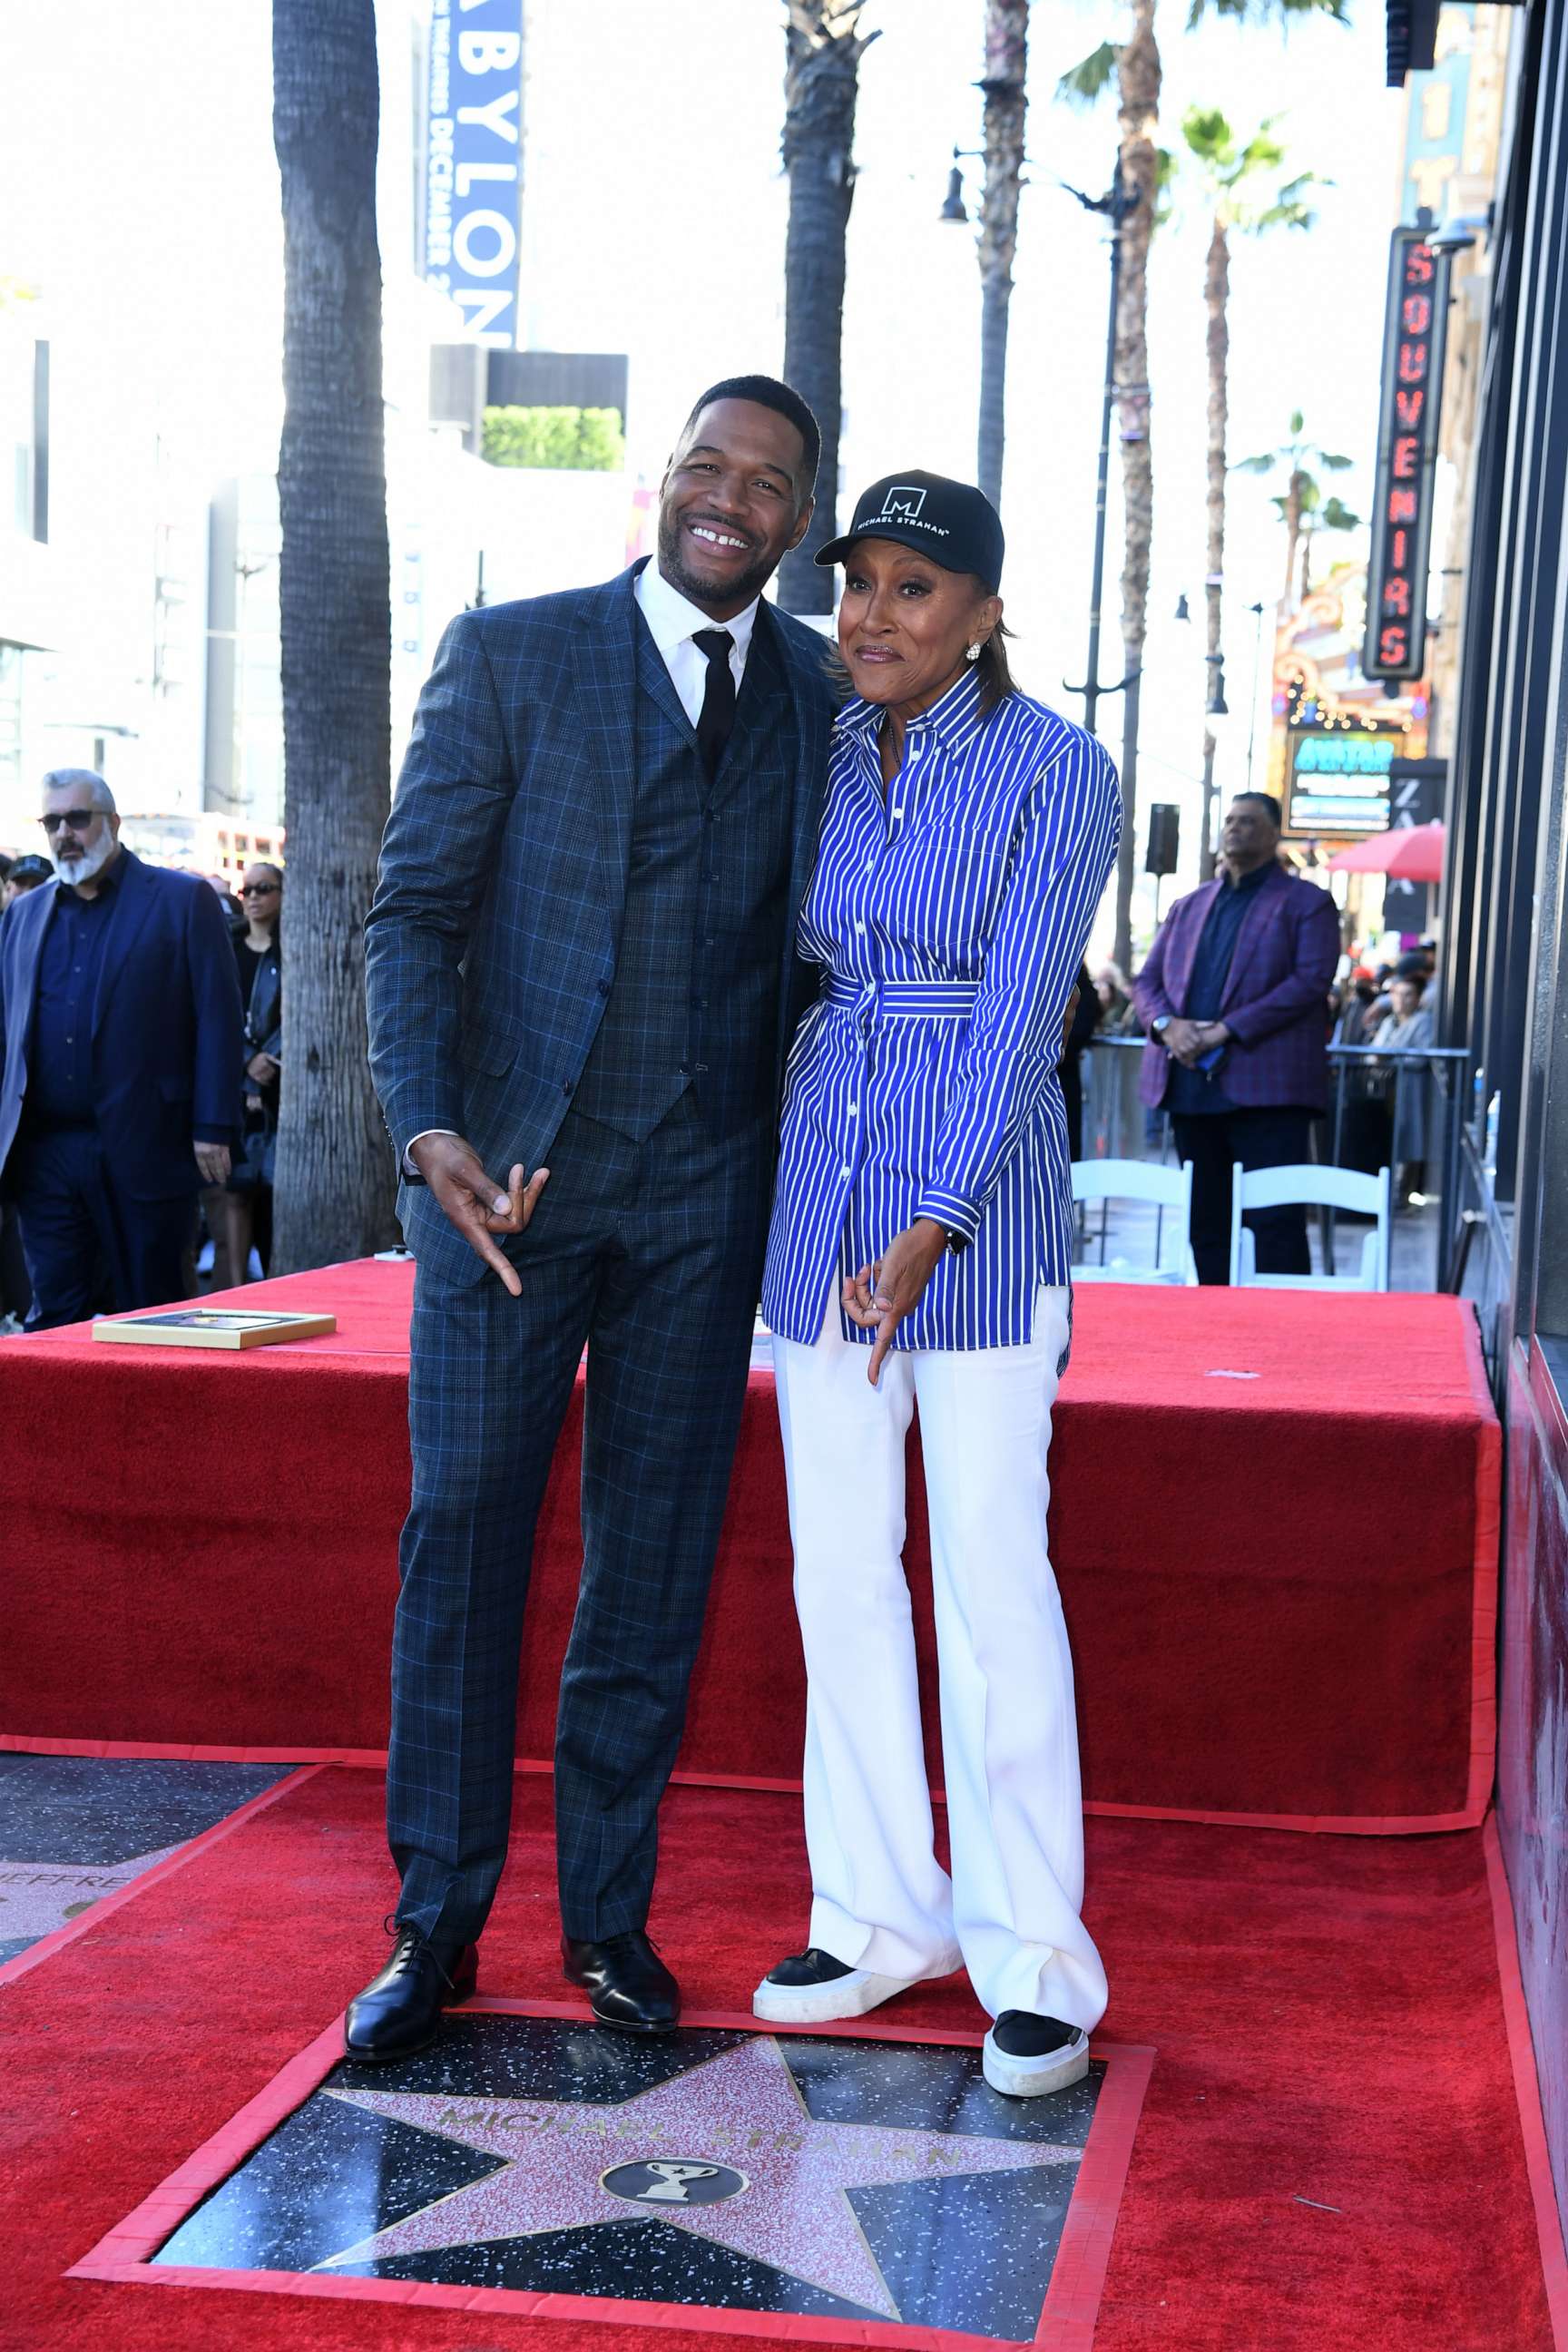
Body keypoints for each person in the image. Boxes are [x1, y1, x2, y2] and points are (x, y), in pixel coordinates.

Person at [355, 376, 838, 2063]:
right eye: (707, 464)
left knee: (650, 1563)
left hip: (708, 1195)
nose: (729, 498)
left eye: (767, 483)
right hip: (507, 1188)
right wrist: (428, 1128)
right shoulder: (512, 653)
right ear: (663, 480)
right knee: (466, 1537)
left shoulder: (818, 689)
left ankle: (609, 1918)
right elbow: (408, 915)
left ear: (795, 522)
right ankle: (434, 1925)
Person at [754, 472, 1121, 2101]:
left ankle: (1033, 1955)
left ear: (982, 610)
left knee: (989, 1571)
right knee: (839, 1568)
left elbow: (1026, 1008)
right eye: (859, 586)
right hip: (810, 1175)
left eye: (913, 589)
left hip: (974, 1204)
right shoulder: (814, 752)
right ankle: (875, 1913)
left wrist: (934, 1212)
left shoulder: (1058, 769)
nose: (873, 618)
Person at [0, 772, 242, 1328]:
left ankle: (159, 1419)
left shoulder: (182, 901)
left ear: (112, 822)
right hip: (45, 1154)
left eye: (77, 819)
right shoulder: (24, 914)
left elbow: (217, 1017)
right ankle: (64, 1420)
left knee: (153, 1313)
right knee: (56, 1315)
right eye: (52, 822)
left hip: (146, 1143)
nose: (65, 834)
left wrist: (213, 1123)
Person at [1133, 792, 1339, 1286]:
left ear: (1273, 834)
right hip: (1189, 1088)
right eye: (1230, 820)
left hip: (1268, 1091)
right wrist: (1168, 1026)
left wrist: (1228, 1028)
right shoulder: (1189, 905)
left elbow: (1310, 981)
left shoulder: (1307, 903)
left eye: (1248, 821)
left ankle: (1288, 1335)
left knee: (1275, 1224)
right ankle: (1214, 1328)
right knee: (1206, 1223)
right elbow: (1146, 983)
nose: (1235, 828)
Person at [207, 862, 282, 1284]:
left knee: (271, 1192)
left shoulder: (292, 951)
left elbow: (300, 1017)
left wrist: (266, 1059)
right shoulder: (229, 947)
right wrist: (247, 1059)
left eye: (263, 888)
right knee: (236, 1189)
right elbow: (216, 1012)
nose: (252, 897)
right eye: (245, 890)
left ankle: (273, 1284)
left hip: (281, 1084)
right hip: (236, 1083)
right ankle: (236, 1288)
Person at [1371, 971, 1435, 1201]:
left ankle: (1401, 1192)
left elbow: (1420, 1057)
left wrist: (1391, 1058)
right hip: (1385, 1090)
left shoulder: (1423, 1022)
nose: (1402, 1000)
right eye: (1398, 994)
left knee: (1407, 1139)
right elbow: (1374, 1053)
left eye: (1408, 995)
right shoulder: (1389, 1022)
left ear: (1417, 998)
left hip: (1409, 1089)